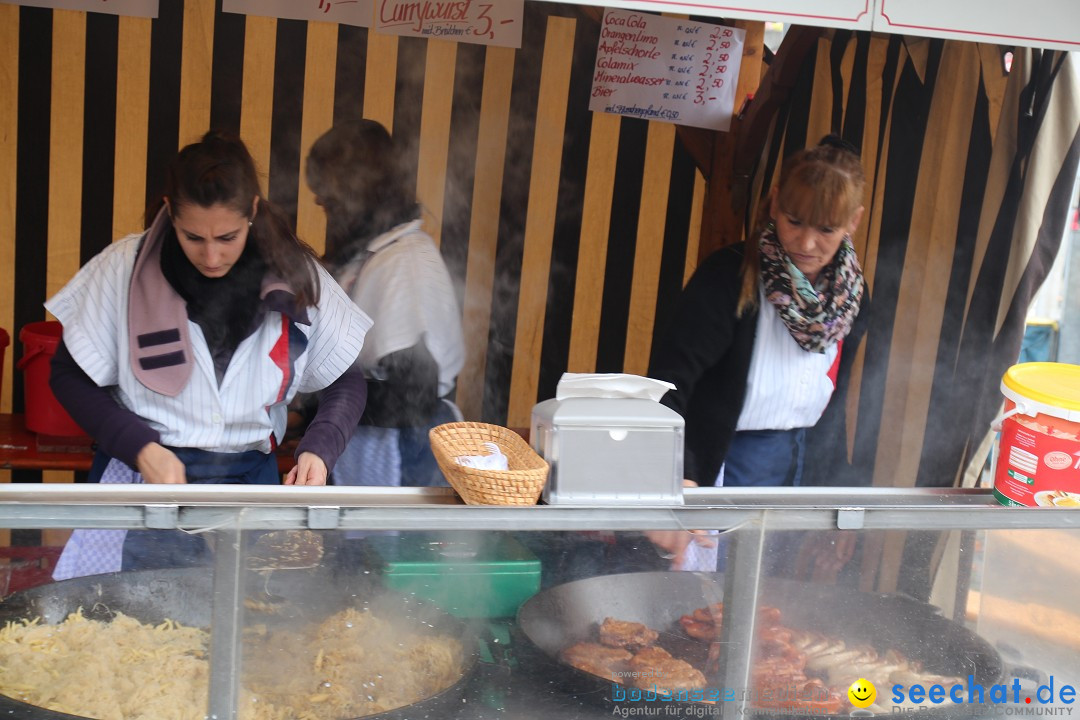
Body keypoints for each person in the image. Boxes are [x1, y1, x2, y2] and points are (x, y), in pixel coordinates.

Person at [47, 130, 372, 576]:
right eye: (194, 237)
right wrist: (140, 448)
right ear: (169, 210)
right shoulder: (123, 268)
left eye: (228, 236)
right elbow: (68, 376)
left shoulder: (297, 276)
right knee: (140, 631)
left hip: (249, 486)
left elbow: (345, 380)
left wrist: (320, 448)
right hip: (149, 480)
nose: (213, 256)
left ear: (253, 211)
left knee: (250, 629)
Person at [648, 136, 871, 577]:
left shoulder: (852, 298)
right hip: (722, 460)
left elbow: (837, 404)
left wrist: (843, 496)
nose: (806, 242)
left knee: (774, 602)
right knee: (705, 604)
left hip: (799, 466)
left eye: (825, 229)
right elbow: (668, 384)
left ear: (853, 222)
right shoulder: (727, 278)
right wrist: (677, 479)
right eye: (794, 221)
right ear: (774, 204)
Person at [304, 119, 465, 488]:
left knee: (396, 549)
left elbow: (410, 398)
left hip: (408, 453)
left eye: (329, 202)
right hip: (381, 441)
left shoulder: (404, 264)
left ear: (356, 195)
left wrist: (316, 406)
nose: (326, 211)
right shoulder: (379, 253)